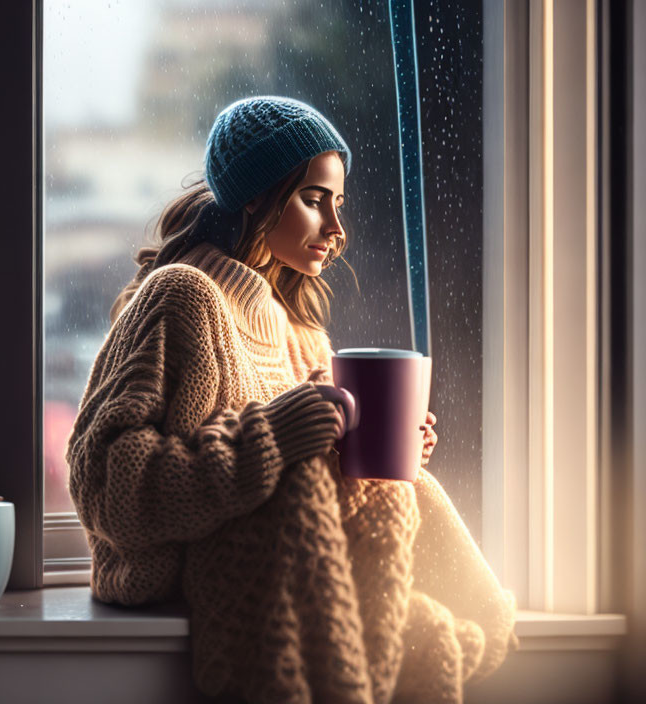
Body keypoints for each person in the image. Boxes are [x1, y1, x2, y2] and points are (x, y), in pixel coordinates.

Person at [66, 96, 516, 704]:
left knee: (401, 493)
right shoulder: (183, 297)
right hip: (184, 572)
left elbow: (318, 474)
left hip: (306, 571)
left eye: (339, 204)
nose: (337, 229)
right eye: (313, 199)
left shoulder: (303, 334)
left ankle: (449, 634)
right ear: (253, 197)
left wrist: (382, 453)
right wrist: (274, 438)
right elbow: (107, 486)